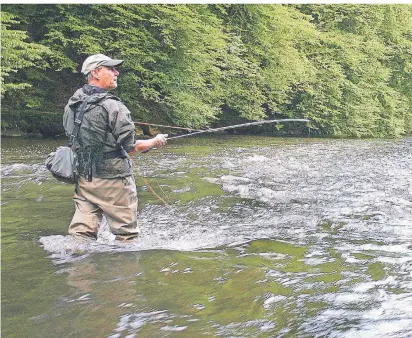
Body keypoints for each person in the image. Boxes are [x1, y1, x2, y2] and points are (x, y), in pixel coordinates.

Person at [63, 54, 167, 241]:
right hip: (114, 182)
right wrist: (154, 141)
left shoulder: (72, 103)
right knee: (127, 237)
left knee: (80, 235)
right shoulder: (114, 106)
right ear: (95, 72)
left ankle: (78, 267)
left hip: (84, 178)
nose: (116, 72)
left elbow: (72, 140)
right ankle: (125, 270)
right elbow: (131, 148)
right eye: (110, 69)